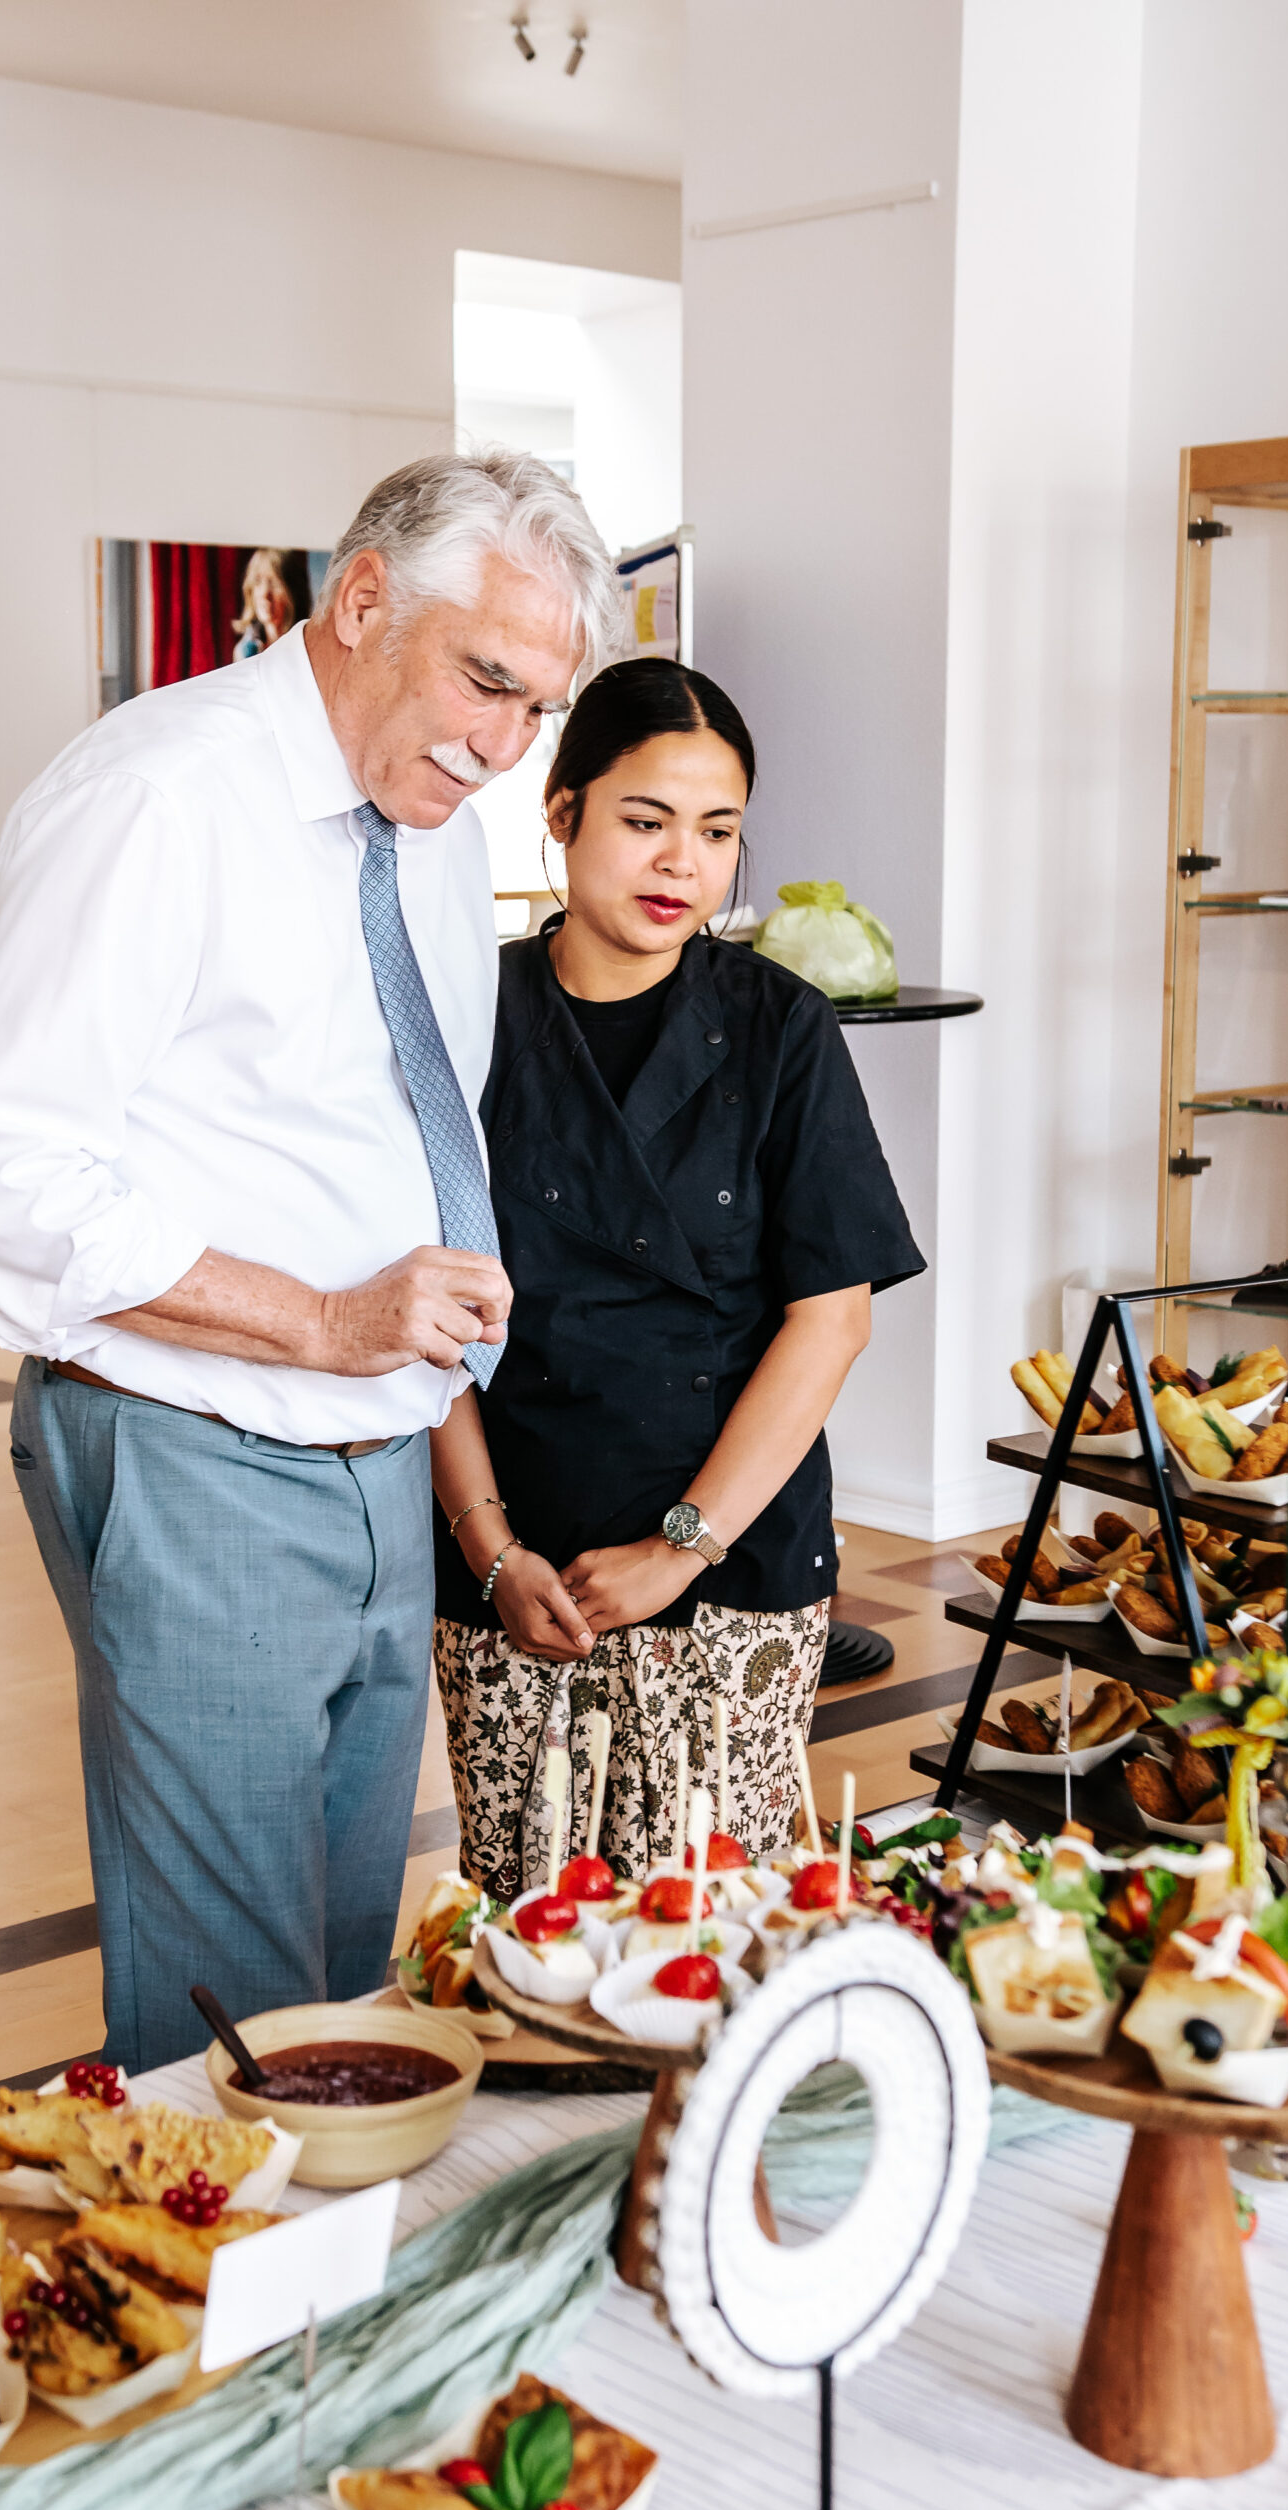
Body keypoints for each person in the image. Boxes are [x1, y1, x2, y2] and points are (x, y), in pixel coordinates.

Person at [0, 451, 623, 2070]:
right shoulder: (158, 797)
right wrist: (321, 1319)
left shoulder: (433, 822)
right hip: (197, 1443)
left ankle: (334, 2314)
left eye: (539, 708)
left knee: (336, 1984)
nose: (504, 747)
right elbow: (10, 1176)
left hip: (378, 1454)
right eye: (486, 683)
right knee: (228, 2017)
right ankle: (224, 2312)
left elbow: (395, 1125)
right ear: (364, 599)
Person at [429, 659, 924, 1897]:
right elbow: (424, 1313)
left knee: (719, 1923)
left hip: (733, 1567)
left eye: (717, 834)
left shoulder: (780, 1027)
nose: (680, 865)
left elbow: (833, 1318)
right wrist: (490, 1549)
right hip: (512, 1560)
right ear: (562, 813)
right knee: (524, 1926)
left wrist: (680, 1547)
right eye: (645, 822)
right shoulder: (462, 1016)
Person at [231, 547, 296, 659]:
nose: (265, 594)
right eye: (257, 582)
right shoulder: (246, 651)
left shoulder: (304, 646)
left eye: (274, 583)